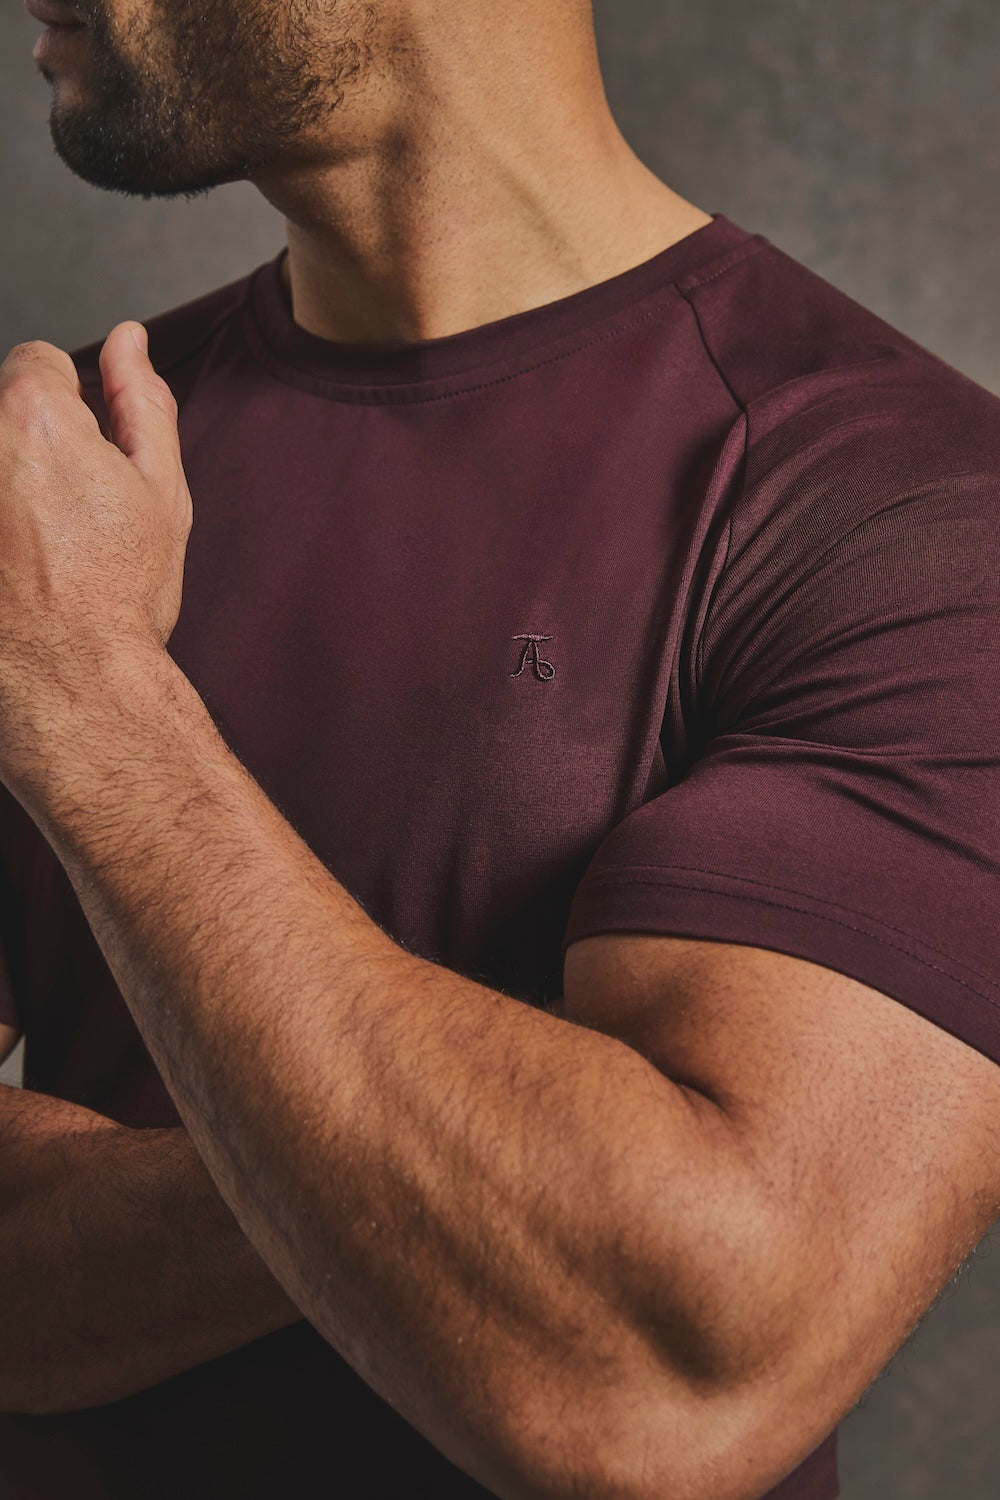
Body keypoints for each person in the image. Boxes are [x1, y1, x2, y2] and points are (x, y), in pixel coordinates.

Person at [2, 0, 999, 1494]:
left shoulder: (905, 509)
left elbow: (664, 1379)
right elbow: (587, 1284)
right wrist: (487, 1176)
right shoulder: (55, 495)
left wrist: (89, 707)